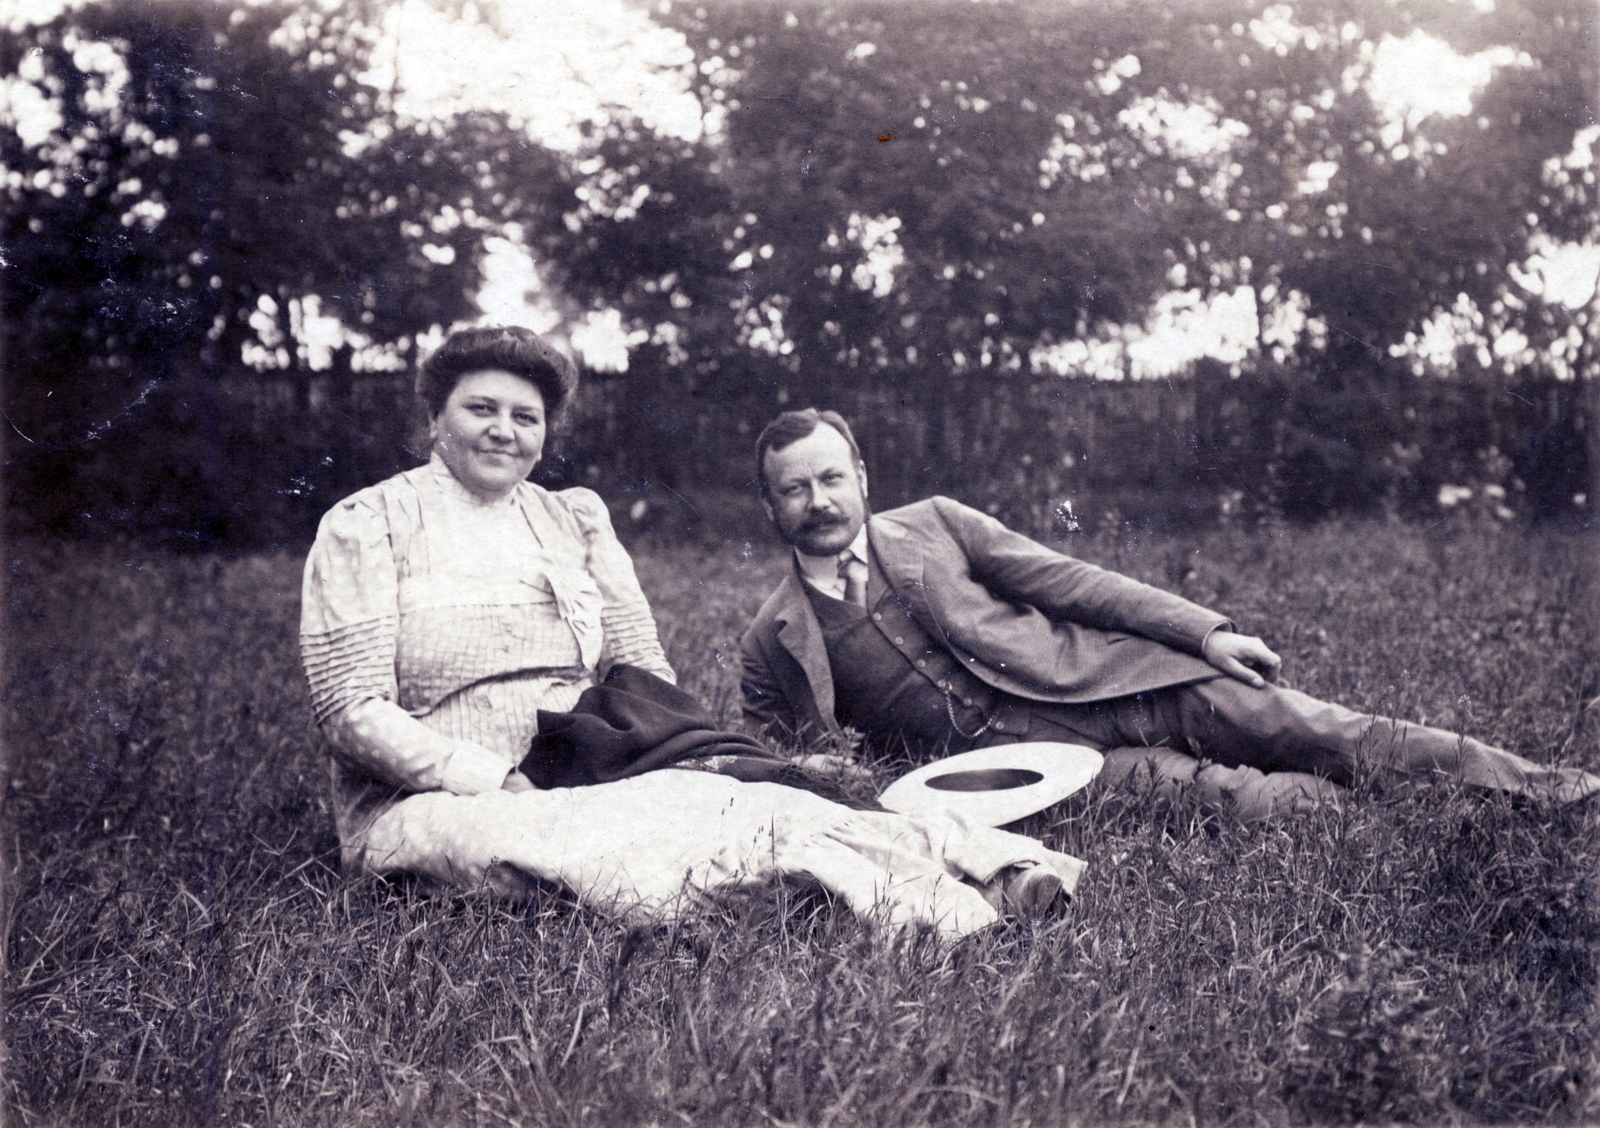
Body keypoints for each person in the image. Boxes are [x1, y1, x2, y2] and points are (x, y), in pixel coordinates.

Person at [299, 327, 1085, 939]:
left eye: (525, 416)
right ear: (435, 418)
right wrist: (491, 778)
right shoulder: (369, 526)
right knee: (618, 848)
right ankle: (920, 916)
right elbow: (351, 714)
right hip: (427, 804)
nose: (504, 431)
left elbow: (639, 661)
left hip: (586, 761)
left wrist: (680, 755)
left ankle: (997, 866)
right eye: (481, 410)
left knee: (744, 799)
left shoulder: (568, 517)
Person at [738, 408, 1600, 821]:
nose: (818, 501)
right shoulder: (772, 641)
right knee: (1247, 806)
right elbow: (783, 761)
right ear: (771, 508)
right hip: (1040, 769)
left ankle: (1549, 790)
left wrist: (1205, 632)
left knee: (1320, 729)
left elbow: (1074, 581)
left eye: (829, 477)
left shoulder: (934, 524)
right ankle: (1424, 822)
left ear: (860, 473)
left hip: (1124, 682)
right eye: (794, 489)